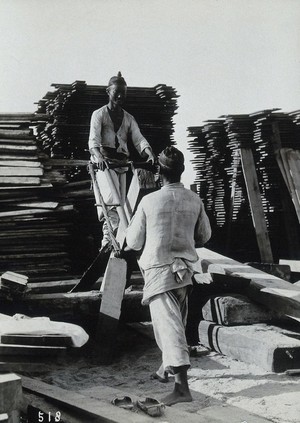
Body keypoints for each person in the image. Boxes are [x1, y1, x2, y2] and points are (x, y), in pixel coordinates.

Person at [125, 146, 211, 406]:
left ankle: (182, 389)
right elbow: (204, 236)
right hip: (183, 270)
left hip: (159, 269)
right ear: (181, 171)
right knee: (177, 324)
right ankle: (166, 369)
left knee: (169, 326)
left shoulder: (149, 201)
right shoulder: (194, 200)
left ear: (158, 172)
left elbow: (134, 240)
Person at [88, 71, 155, 251]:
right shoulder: (99, 115)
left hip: (122, 165)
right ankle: (108, 240)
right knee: (110, 202)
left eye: (123, 93)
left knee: (124, 206)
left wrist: (148, 153)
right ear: (108, 92)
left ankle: (120, 241)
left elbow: (138, 139)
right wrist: (99, 157)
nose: (120, 96)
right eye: (116, 92)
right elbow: (93, 141)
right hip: (104, 165)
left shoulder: (128, 118)